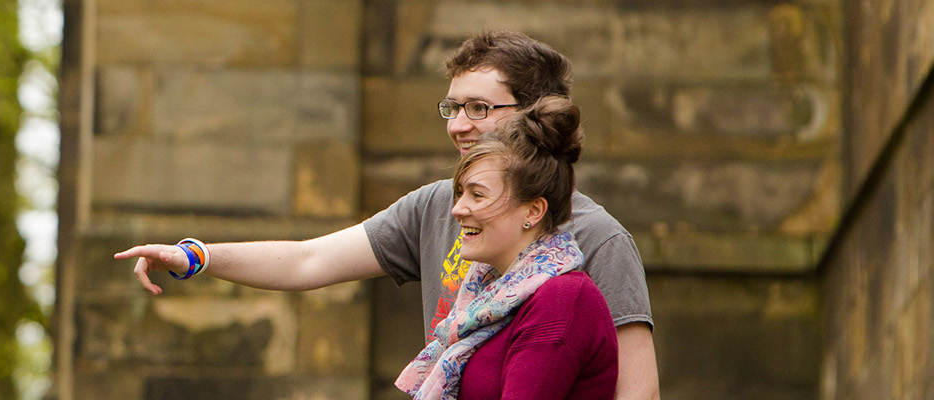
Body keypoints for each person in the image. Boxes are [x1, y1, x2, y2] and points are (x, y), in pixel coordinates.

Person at [112, 31, 658, 399]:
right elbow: (309, 260)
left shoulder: (597, 240)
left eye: (479, 108)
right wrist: (195, 256)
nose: (457, 124)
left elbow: (637, 393)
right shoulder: (433, 208)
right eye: (452, 107)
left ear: (533, 116)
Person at [397, 95, 616, 399]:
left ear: (532, 212)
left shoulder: (562, 299)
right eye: (460, 194)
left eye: (477, 195)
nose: (457, 209)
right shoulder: (486, 296)